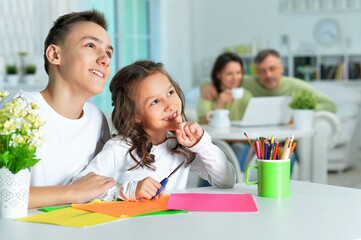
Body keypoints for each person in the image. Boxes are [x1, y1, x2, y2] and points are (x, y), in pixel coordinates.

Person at [73, 60, 236, 201]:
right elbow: (78, 188)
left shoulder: (181, 146)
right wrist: (129, 190)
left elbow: (226, 181)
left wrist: (202, 145)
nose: (170, 105)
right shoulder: (119, 148)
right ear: (135, 114)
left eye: (170, 92)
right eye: (155, 101)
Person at [5, 10, 117, 208]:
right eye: (91, 45)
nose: (105, 59)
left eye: (108, 53)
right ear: (55, 54)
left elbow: (98, 187)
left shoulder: (97, 119)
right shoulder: (20, 108)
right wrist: (73, 192)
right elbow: (5, 195)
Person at [201, 49, 337, 113]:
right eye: (262, 71)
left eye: (272, 69)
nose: (268, 75)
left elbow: (330, 105)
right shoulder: (246, 82)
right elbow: (227, 80)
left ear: (281, 68)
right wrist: (205, 85)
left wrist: (300, 111)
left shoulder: (296, 86)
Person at [197, 52, 253, 124]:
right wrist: (219, 105)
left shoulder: (246, 95)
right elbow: (204, 124)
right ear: (218, 74)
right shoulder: (207, 93)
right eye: (229, 74)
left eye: (238, 73)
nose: (235, 78)